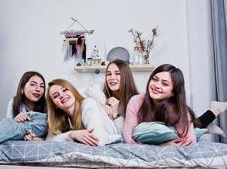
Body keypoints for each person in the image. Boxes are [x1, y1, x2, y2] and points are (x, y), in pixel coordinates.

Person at [85, 59, 227, 135]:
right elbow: (88, 92)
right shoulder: (102, 97)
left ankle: (214, 111)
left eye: (117, 73)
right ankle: (206, 124)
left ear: (126, 76)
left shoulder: (135, 99)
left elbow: (127, 132)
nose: (112, 78)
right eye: (108, 74)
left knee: (190, 125)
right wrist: (104, 103)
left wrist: (115, 113)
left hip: (159, 122)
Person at [123, 64, 226, 146]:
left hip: (183, 118)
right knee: (195, 125)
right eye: (154, 79)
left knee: (193, 126)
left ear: (173, 92)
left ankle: (215, 110)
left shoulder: (178, 109)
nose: (156, 85)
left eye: (165, 84)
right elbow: (128, 138)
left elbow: (189, 142)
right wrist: (162, 146)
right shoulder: (136, 101)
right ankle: (206, 126)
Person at [45, 78, 120, 146]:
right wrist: (71, 135)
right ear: (54, 105)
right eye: (55, 96)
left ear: (72, 91)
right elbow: (49, 142)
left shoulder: (87, 103)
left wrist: (69, 137)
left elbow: (96, 140)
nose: (61, 95)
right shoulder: (62, 120)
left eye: (65, 90)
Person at [5, 71, 47, 141]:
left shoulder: (47, 105)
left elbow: (52, 137)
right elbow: (6, 131)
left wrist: (38, 139)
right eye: (33, 84)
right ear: (22, 88)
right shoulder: (14, 102)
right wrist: (15, 122)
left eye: (42, 86)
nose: (38, 89)